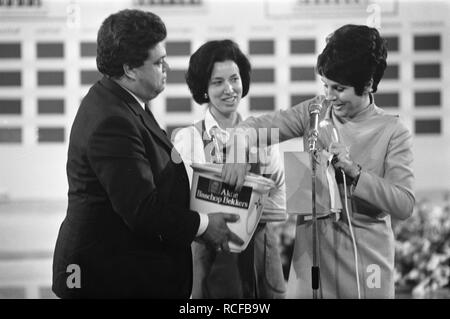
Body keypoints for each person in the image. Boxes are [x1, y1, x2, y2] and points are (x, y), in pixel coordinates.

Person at [52, 9, 242, 299]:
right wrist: (204, 225)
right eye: (158, 62)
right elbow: (143, 211)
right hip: (105, 278)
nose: (167, 68)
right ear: (129, 69)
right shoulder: (112, 120)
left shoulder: (119, 100)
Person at [221, 25, 415, 298]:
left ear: (369, 84)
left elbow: (404, 204)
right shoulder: (314, 112)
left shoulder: (393, 131)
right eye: (326, 85)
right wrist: (239, 150)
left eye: (340, 88)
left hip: (366, 265)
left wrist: (355, 173)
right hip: (309, 261)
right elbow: (255, 127)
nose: (330, 96)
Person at [173, 40, 287, 298]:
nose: (229, 89)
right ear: (203, 88)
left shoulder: (263, 136)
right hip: (209, 260)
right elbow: (184, 208)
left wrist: (239, 208)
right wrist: (249, 202)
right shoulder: (188, 139)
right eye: (217, 82)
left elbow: (281, 203)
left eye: (234, 79)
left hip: (262, 258)